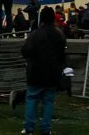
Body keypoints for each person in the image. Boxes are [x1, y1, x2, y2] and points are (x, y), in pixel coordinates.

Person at [21, 7, 66, 135]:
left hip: (35, 71)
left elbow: (25, 51)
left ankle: (29, 128)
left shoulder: (35, 34)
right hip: (52, 73)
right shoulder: (59, 34)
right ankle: (46, 128)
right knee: (48, 102)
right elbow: (62, 55)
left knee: (31, 99)